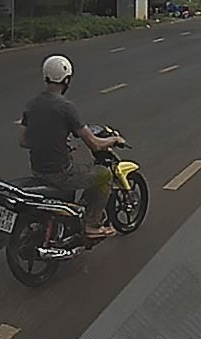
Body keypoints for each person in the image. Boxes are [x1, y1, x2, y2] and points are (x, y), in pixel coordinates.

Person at [18, 55, 125, 239]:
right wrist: (113, 140)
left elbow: (23, 140)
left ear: (46, 77)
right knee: (104, 175)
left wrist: (52, 141)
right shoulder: (66, 107)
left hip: (37, 170)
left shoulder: (32, 104)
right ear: (66, 80)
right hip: (60, 172)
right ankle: (91, 224)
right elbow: (94, 144)